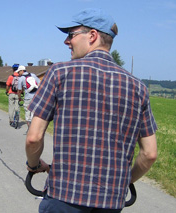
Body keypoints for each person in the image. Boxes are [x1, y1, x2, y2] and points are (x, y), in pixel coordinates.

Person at [25, 8, 157, 213]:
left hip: (64, 196)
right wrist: (123, 183)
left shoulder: (60, 73)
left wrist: (33, 165)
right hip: (111, 202)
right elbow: (149, 154)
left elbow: (33, 137)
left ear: (93, 36)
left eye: (71, 35)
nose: (67, 41)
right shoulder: (139, 87)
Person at [16, 65, 40, 130]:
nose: (18, 73)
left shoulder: (21, 78)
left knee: (27, 113)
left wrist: (19, 98)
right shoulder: (33, 75)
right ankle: (33, 127)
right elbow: (40, 83)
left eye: (19, 72)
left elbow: (19, 90)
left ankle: (29, 128)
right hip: (35, 97)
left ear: (22, 71)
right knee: (33, 112)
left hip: (27, 98)